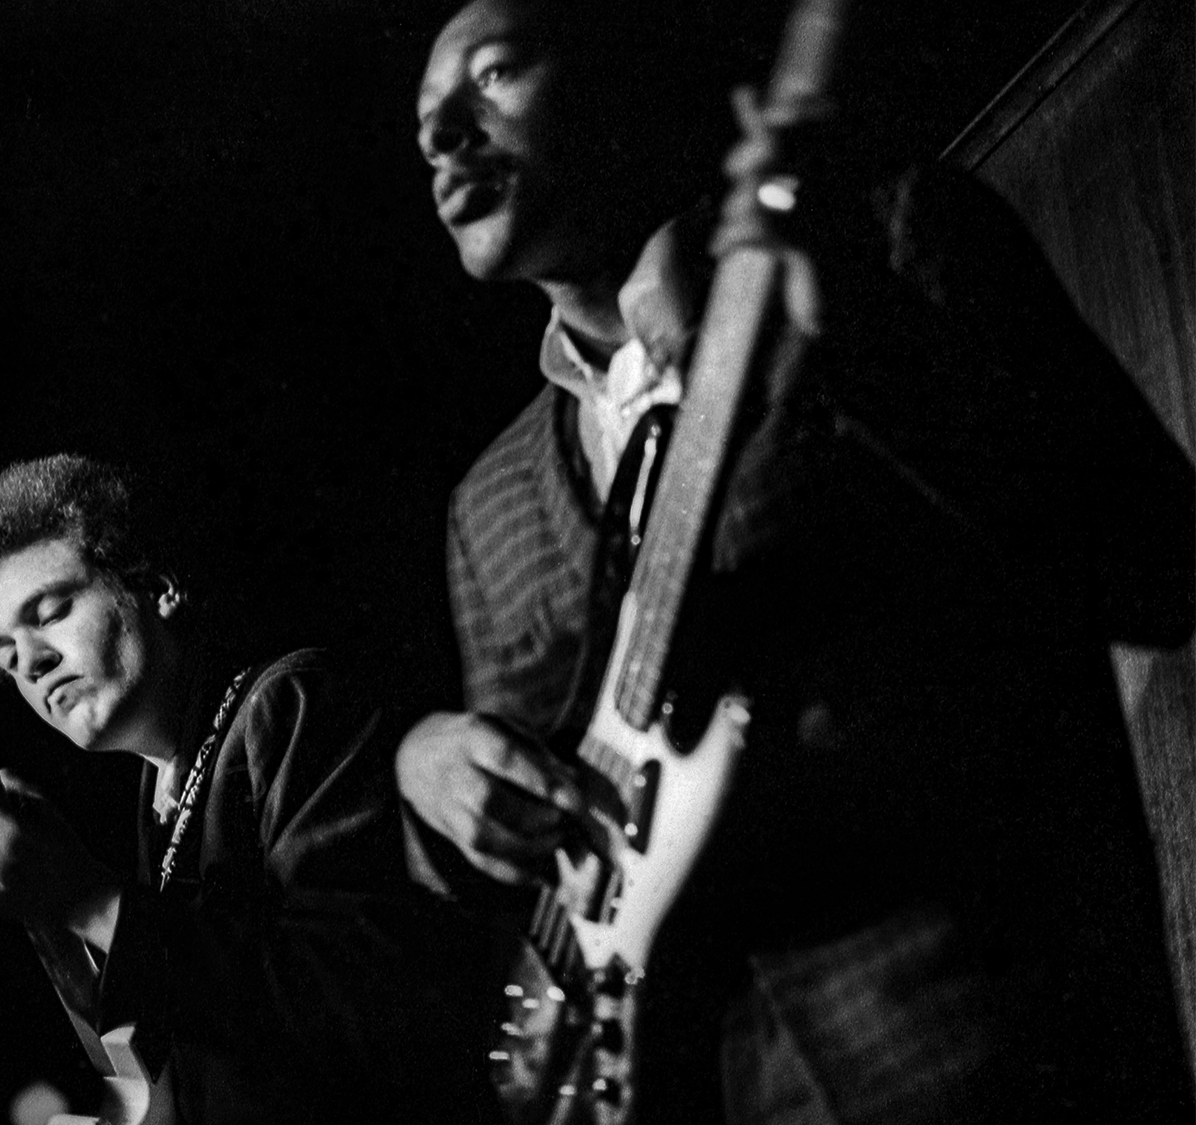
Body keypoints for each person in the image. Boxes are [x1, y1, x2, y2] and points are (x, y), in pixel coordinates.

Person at [396, 0, 1196, 1121]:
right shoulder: (485, 503)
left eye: (490, 76)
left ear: (615, 82)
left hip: (995, 1056)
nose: (441, 135)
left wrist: (845, 329)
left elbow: (1154, 563)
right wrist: (427, 779)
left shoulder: (887, 241)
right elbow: (556, 854)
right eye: (424, 119)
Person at [0, 454, 501, 1123]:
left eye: (50, 612)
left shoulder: (287, 702)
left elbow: (357, 995)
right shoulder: (156, 789)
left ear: (157, 585)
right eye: (9, 658)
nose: (35, 663)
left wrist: (89, 901)